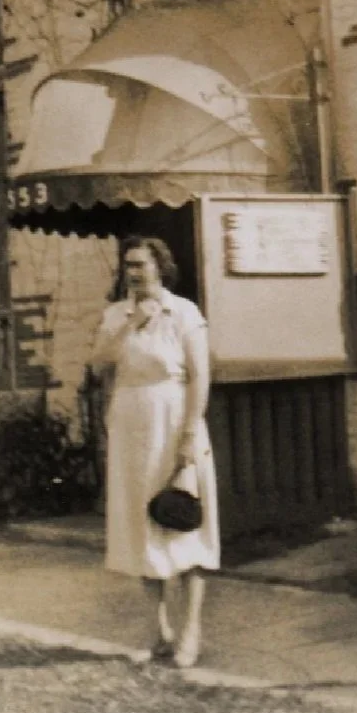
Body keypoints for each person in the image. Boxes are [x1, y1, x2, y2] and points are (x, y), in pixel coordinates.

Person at [90, 234, 219, 669]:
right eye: (127, 265)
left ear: (160, 267)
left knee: (182, 524)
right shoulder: (116, 314)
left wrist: (188, 434)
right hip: (131, 425)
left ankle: (191, 631)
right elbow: (99, 361)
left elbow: (200, 376)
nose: (133, 272)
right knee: (142, 528)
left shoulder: (184, 313)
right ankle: (159, 630)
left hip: (174, 420)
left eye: (141, 265)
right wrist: (131, 322)